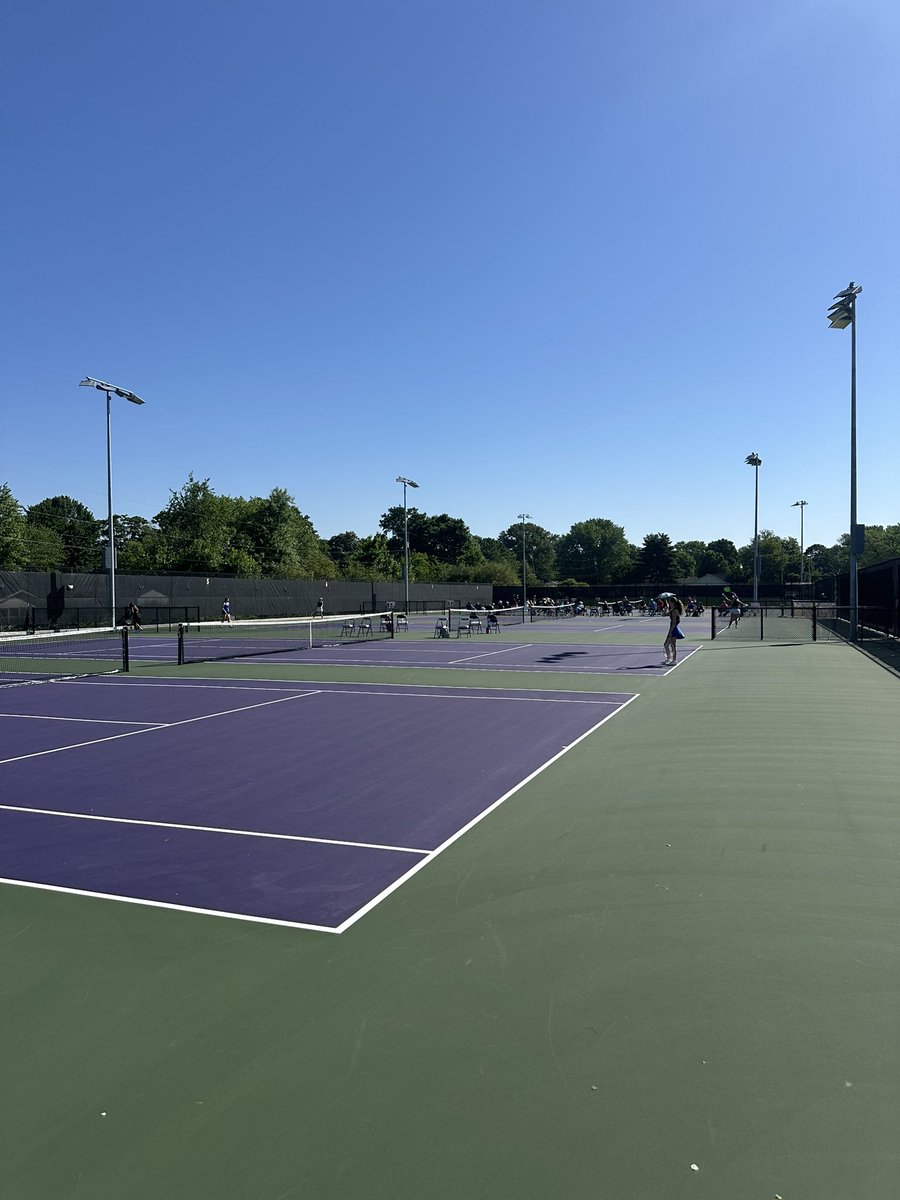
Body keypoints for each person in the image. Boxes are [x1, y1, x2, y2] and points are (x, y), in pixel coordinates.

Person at [663, 595, 685, 664]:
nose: (669, 603)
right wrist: (666, 607)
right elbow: (664, 614)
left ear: (673, 603)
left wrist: (670, 632)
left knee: (672, 645)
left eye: (669, 602)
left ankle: (674, 660)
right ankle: (669, 659)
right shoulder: (672, 610)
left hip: (673, 629)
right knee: (666, 644)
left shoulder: (674, 611)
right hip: (672, 628)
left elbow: (674, 623)